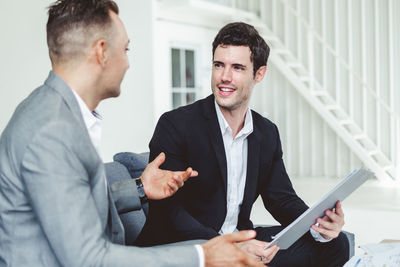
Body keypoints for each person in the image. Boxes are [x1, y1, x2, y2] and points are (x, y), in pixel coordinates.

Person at [0, 1, 277, 266]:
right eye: (126, 49)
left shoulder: (55, 112)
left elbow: (67, 203)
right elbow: (88, 260)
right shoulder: (53, 130)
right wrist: (204, 256)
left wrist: (139, 188)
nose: (128, 63)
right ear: (102, 52)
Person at [138, 22, 350, 266]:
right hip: (187, 245)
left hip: (239, 237)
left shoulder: (266, 132)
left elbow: (281, 199)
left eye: (237, 68)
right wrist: (231, 246)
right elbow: (169, 214)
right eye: (219, 65)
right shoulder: (175, 124)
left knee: (336, 243)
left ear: (259, 74)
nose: (224, 77)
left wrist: (318, 224)